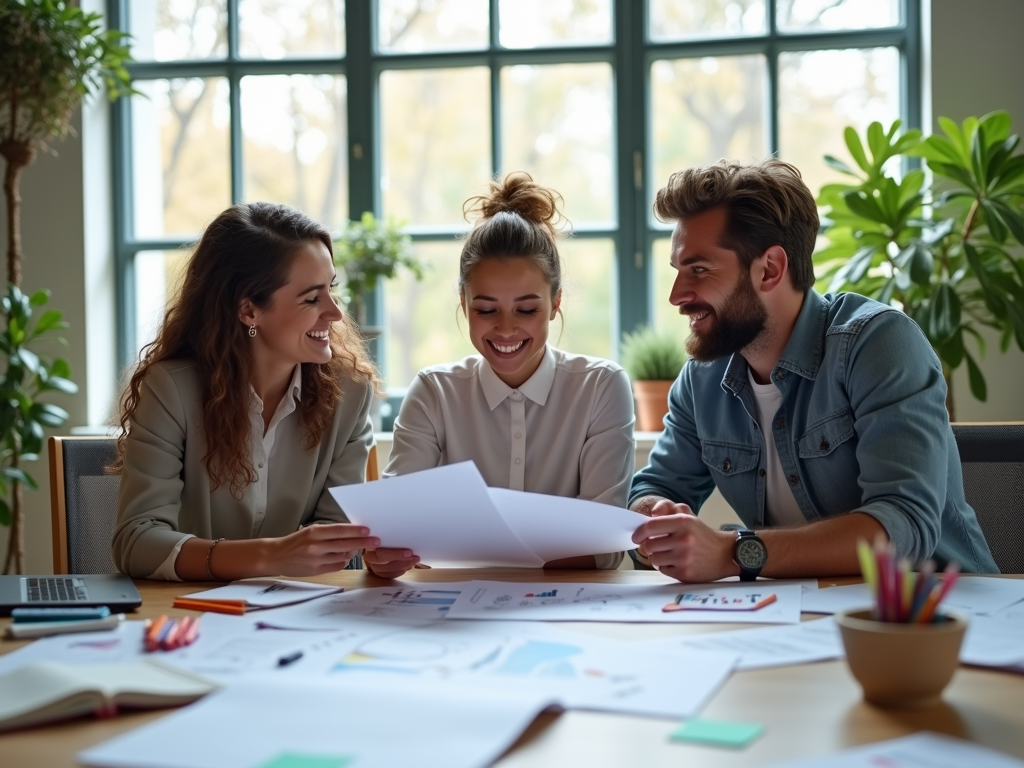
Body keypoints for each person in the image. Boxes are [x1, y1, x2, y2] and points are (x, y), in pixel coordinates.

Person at [629, 159, 998, 582]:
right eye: (678, 271)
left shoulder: (877, 344)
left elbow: (903, 525)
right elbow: (654, 486)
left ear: (769, 269)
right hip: (800, 611)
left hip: (938, 613)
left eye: (699, 269)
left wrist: (735, 552)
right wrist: (654, 516)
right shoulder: (702, 379)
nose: (677, 295)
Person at [369, 172, 635, 577]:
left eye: (527, 310)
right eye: (486, 309)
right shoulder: (434, 391)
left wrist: (453, 543)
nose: (507, 329)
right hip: (457, 611)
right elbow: (395, 533)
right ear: (463, 302)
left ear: (556, 302)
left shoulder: (600, 386)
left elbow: (605, 545)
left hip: (567, 609)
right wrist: (383, 552)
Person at [112, 202, 383, 580]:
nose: (335, 312)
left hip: (301, 609)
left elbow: (339, 533)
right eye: (311, 298)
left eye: (331, 289)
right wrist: (266, 557)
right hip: (192, 610)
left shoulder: (350, 394)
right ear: (249, 311)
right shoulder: (170, 390)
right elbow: (136, 542)